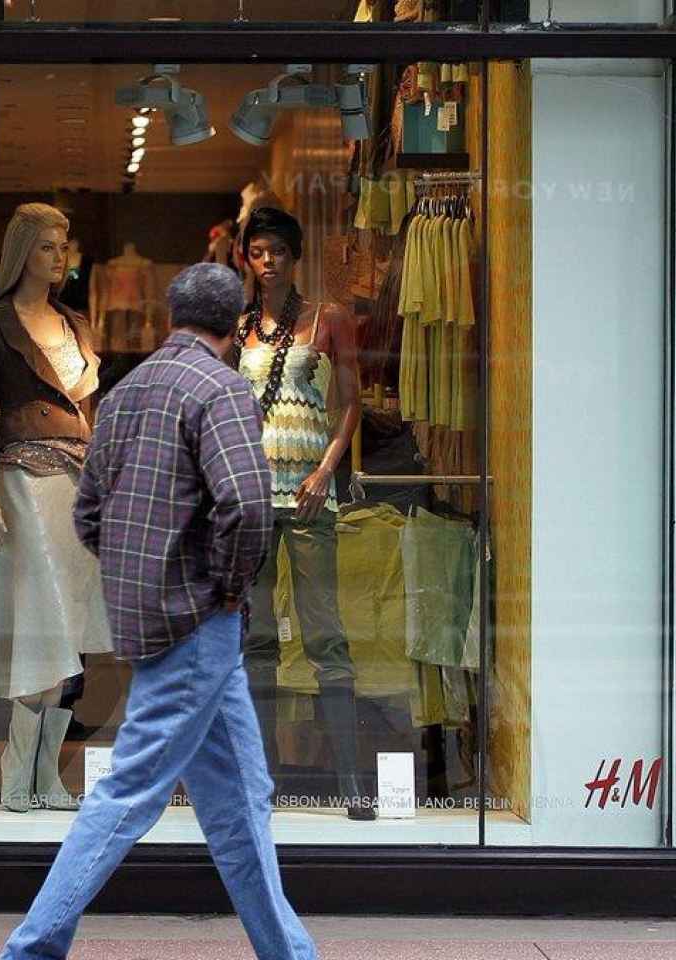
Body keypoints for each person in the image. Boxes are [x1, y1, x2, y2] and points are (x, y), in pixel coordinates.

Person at [0, 263, 316, 960]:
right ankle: (29, 951)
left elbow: (89, 510)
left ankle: (288, 952)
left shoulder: (126, 391)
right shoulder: (224, 390)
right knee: (132, 791)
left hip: (155, 618)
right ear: (235, 324)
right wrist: (229, 588)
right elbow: (246, 504)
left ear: (172, 316)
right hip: (201, 619)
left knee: (241, 797)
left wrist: (132, 575)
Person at [0, 203, 112, 813]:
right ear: (23, 250)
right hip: (22, 480)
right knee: (43, 621)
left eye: (64, 245)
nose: (59, 257)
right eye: (48, 246)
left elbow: (93, 417)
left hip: (78, 485)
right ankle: (15, 765)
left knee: (70, 630)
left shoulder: (77, 325)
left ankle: (43, 773)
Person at [234, 206, 371, 820]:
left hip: (311, 491)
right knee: (256, 638)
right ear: (247, 258)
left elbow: (350, 402)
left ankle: (353, 784)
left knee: (324, 632)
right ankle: (261, 781)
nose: (267, 262)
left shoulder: (327, 319)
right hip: (253, 495)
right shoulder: (238, 329)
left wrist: (326, 467)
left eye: (277, 252)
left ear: (294, 256)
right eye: (257, 252)